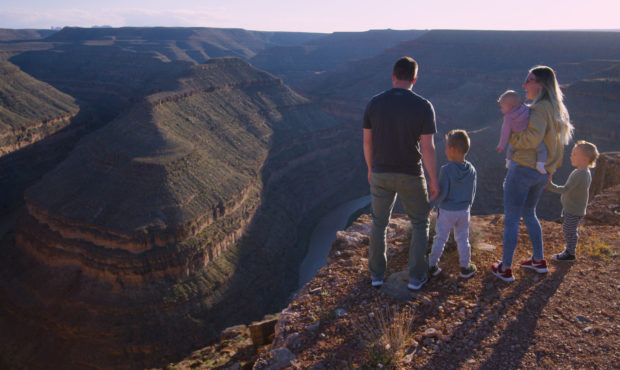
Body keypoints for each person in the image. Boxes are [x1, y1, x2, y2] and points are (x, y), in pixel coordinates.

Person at [492, 65, 574, 282]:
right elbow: (557, 145)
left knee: (511, 217)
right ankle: (538, 260)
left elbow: (532, 139)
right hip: (541, 171)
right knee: (529, 213)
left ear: (540, 84)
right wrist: (551, 169)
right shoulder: (556, 109)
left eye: (529, 80)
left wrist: (512, 139)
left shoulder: (538, 109)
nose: (524, 85)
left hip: (523, 169)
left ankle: (505, 267)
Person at [363, 56, 438, 291]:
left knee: (379, 223)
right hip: (410, 174)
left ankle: (376, 275)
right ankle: (417, 277)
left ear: (393, 76)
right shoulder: (424, 106)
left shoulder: (374, 103)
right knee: (419, 223)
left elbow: (367, 142)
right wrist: (433, 179)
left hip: (380, 172)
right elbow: (428, 148)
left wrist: (370, 168)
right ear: (415, 78)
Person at [428, 129, 477, 279]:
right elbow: (472, 192)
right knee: (463, 239)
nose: (445, 149)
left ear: (452, 150)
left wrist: (434, 203)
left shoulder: (446, 170)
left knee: (440, 238)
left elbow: (443, 193)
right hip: (464, 210)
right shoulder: (472, 170)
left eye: (446, 147)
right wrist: (467, 206)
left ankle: (432, 265)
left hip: (447, 210)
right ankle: (465, 267)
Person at [546, 140, 599, 261]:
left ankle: (570, 253)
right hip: (572, 207)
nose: (571, 156)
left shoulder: (580, 174)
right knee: (568, 228)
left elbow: (565, 189)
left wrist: (549, 185)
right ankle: (569, 250)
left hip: (574, 209)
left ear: (585, 159)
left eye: (575, 154)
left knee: (569, 230)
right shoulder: (583, 172)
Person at [496, 90, 547, 174]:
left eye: (502, 107)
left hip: (518, 139)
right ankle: (540, 164)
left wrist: (501, 145)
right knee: (542, 149)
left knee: (510, 150)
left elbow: (505, 133)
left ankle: (508, 162)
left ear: (510, 106)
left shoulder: (508, 118)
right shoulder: (525, 108)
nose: (501, 110)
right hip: (531, 137)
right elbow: (532, 110)